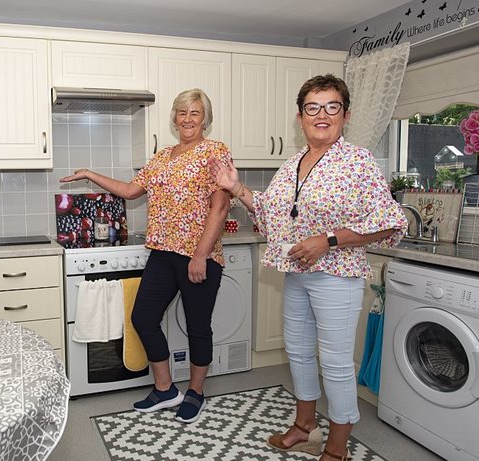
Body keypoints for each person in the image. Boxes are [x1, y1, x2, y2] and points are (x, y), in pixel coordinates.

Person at [210, 74, 407, 460]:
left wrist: (328, 240)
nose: (322, 115)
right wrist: (238, 189)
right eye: (312, 108)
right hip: (298, 274)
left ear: (344, 115)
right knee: (298, 352)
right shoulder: (292, 163)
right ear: (300, 117)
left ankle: (338, 447)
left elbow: (388, 221)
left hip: (337, 275)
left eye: (331, 106)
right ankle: (305, 427)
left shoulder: (357, 161)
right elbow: (274, 213)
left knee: (334, 363)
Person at [60, 88, 230, 423]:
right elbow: (130, 190)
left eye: (195, 113)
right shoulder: (162, 157)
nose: (187, 119)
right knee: (143, 318)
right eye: (182, 113)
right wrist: (89, 174)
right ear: (174, 118)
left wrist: (200, 255)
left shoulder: (215, 152)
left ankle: (195, 393)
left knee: (198, 327)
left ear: (205, 118)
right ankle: (165, 389)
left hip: (199, 255)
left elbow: (221, 206)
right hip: (163, 253)